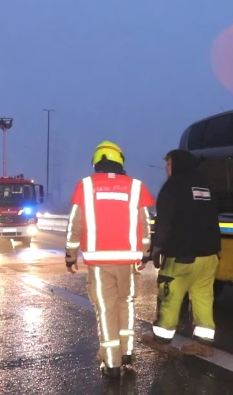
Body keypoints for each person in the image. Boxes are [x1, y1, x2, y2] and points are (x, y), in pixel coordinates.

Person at [64, 141, 155, 378]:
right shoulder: (136, 186)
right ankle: (127, 353)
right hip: (128, 261)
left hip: (100, 262)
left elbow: (76, 224)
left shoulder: (85, 186)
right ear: (120, 160)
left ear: (97, 161)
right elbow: (146, 223)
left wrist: (70, 256)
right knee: (126, 304)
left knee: (106, 309)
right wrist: (146, 253)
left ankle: (112, 364)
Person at [140, 149, 221, 358]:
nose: (166, 169)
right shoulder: (205, 184)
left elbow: (164, 221)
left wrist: (157, 248)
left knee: (170, 296)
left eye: (168, 164)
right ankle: (204, 344)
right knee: (203, 298)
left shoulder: (173, 186)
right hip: (209, 256)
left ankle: (161, 340)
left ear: (177, 164)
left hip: (181, 256)